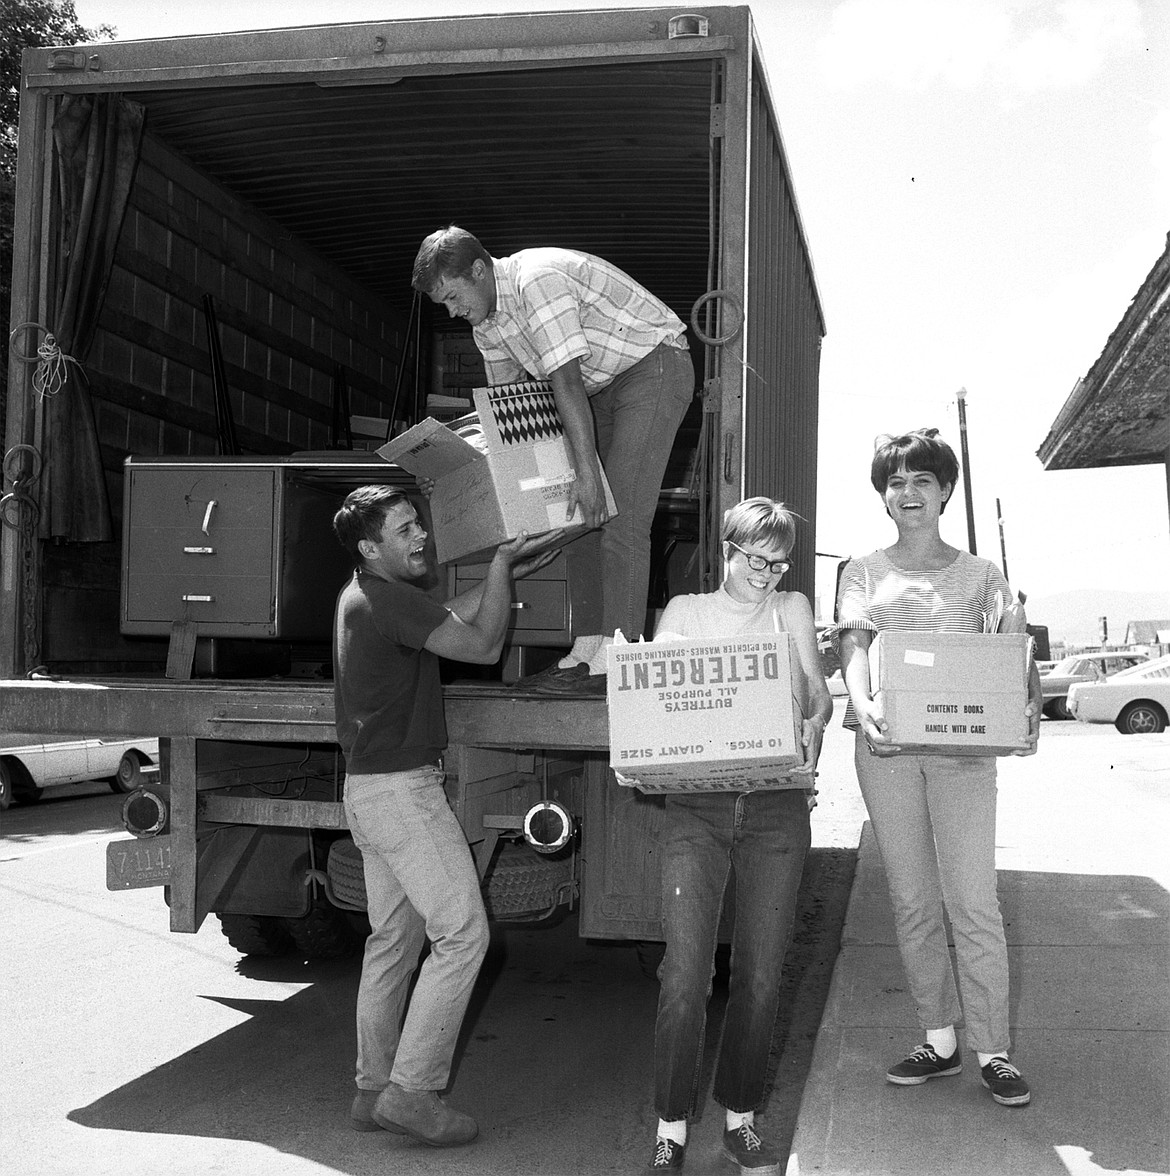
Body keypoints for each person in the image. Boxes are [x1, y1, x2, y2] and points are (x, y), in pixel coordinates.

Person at [331, 484, 553, 1147]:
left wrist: (497, 579)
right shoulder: (389, 600)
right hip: (402, 793)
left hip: (367, 791)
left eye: (419, 523)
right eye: (405, 531)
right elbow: (482, 646)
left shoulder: (363, 593)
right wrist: (501, 570)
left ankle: (373, 1089)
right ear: (373, 547)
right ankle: (414, 1093)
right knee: (462, 934)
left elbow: (440, 620)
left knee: (393, 943)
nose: (422, 535)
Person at [835, 429, 1041, 1110]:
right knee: (913, 901)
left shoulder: (981, 576)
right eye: (896, 482)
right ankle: (939, 1040)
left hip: (961, 755)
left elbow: (1011, 659)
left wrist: (1026, 706)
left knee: (973, 902)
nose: (908, 493)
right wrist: (862, 704)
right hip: (887, 750)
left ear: (946, 490)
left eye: (922, 480)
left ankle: (993, 1051)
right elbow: (855, 645)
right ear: (883, 495)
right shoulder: (861, 569)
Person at [411, 225, 695, 694]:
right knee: (579, 518)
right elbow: (504, 420)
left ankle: (618, 657)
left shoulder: (535, 280)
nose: (452, 310)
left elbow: (563, 380)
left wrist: (586, 473)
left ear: (479, 271)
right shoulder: (488, 324)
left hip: (654, 365)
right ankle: (587, 649)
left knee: (620, 513)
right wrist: (453, 474)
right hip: (597, 387)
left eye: (453, 296)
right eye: (444, 304)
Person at [644, 497, 832, 1174]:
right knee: (685, 974)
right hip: (699, 807)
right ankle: (670, 1126)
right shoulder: (685, 614)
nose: (768, 574)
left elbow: (817, 694)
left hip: (777, 805)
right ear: (728, 548)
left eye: (779, 562)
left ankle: (741, 1116)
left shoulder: (793, 610)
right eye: (757, 558)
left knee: (760, 973)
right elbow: (656, 692)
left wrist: (811, 712)